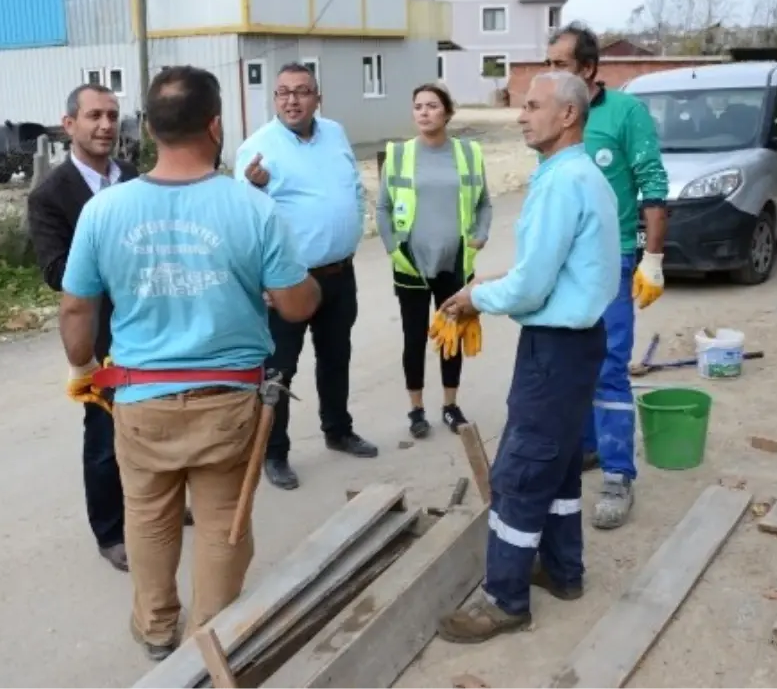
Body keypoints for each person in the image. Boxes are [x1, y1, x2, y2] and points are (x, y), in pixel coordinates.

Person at [58, 66, 321, 660]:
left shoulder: (104, 211)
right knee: (223, 522)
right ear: (216, 124)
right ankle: (213, 638)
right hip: (228, 401)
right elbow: (297, 304)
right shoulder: (251, 208)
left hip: (138, 398)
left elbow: (77, 307)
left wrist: (82, 371)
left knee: (147, 519)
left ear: (148, 128)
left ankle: (156, 630)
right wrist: (301, 289)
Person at [435, 71, 619, 644]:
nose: (521, 115)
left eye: (533, 106)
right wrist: (497, 282)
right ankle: (563, 571)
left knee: (519, 473)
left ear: (568, 116)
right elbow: (545, 270)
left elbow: (533, 286)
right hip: (576, 344)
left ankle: (504, 598)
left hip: (555, 349)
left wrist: (474, 297)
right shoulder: (581, 174)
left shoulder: (563, 182)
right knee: (560, 464)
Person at [544, 23, 669, 531]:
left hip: (612, 260)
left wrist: (652, 259)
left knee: (610, 365)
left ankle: (618, 473)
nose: (552, 75)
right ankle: (588, 449)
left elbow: (653, 187)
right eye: (548, 64)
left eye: (561, 65)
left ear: (590, 70)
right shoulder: (555, 115)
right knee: (568, 361)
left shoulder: (625, 114)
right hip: (562, 263)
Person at [235, 62, 378, 491]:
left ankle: (338, 430)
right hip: (288, 282)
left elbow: (351, 187)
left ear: (318, 97)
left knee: (336, 357)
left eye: (301, 91)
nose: (291, 100)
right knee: (279, 370)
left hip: (339, 273)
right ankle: (274, 453)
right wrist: (257, 187)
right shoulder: (258, 149)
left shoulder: (334, 133)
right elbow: (245, 222)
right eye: (282, 93)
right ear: (274, 99)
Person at [27, 83, 137, 572]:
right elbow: (55, 270)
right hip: (102, 339)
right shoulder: (51, 195)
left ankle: (156, 507)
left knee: (155, 425)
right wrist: (115, 258)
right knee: (105, 436)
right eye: (94, 116)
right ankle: (111, 532)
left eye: (112, 116)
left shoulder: (133, 178)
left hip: (151, 327)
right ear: (69, 124)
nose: (106, 126)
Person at [376, 83, 492, 438]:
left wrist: (481, 233)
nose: (424, 112)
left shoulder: (469, 154)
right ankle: (416, 410)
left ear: (447, 112)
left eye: (432, 106)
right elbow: (382, 207)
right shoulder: (397, 155)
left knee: (451, 333)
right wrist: (393, 248)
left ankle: (450, 405)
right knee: (413, 337)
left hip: (455, 261)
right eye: (418, 106)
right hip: (411, 262)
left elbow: (484, 203)